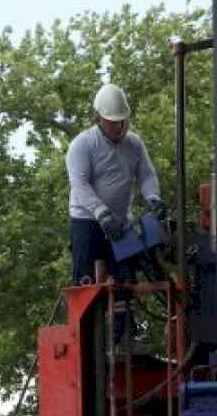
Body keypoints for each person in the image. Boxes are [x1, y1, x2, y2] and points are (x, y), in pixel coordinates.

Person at [66, 83, 168, 285]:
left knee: (124, 286)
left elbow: (146, 175)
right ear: (98, 118)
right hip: (87, 222)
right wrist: (101, 213)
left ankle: (124, 316)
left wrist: (153, 198)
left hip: (121, 223)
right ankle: (90, 315)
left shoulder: (134, 144)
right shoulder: (82, 144)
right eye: (113, 122)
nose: (119, 127)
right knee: (87, 286)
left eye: (122, 121)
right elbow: (80, 184)